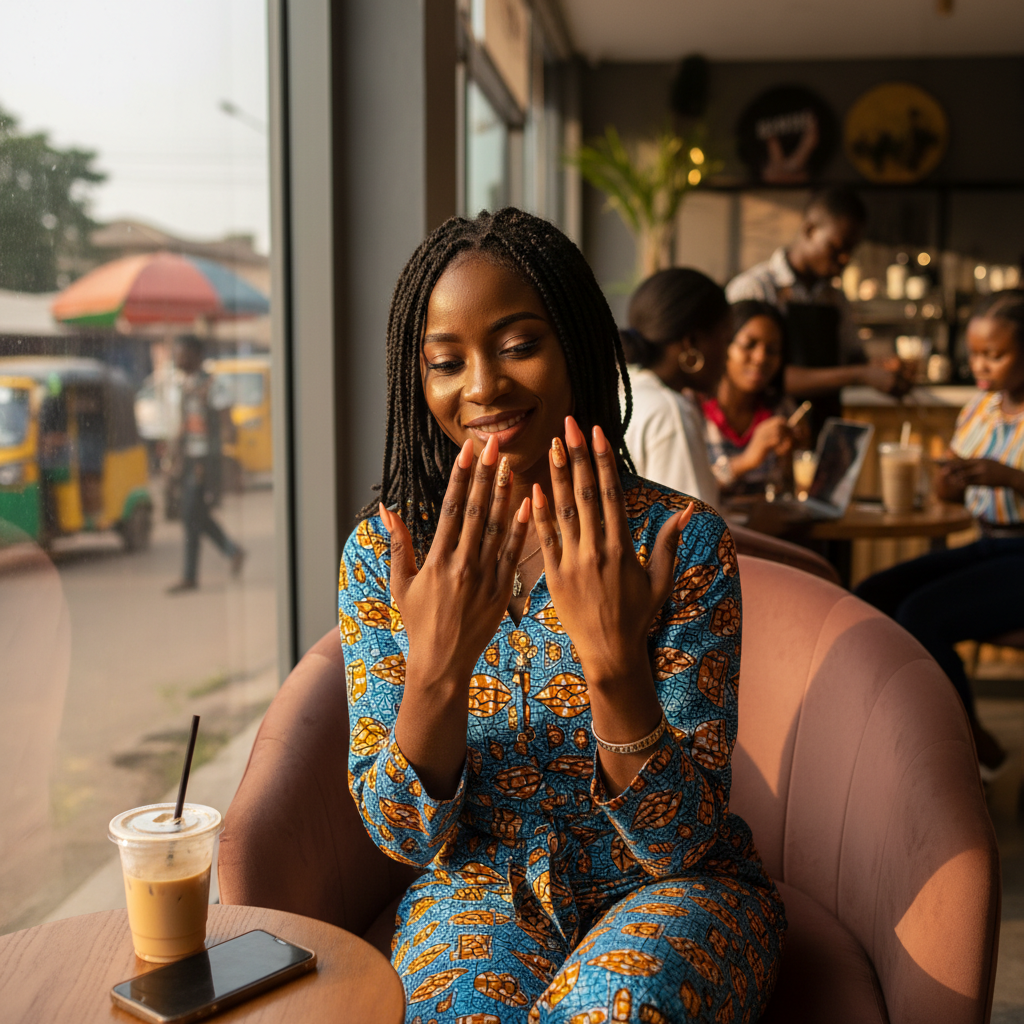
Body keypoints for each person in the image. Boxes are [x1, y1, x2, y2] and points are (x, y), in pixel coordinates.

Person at [338, 209, 785, 1023]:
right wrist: (438, 667)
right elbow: (403, 834)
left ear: (576, 344)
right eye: (446, 361)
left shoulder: (679, 544)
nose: (481, 386)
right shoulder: (388, 554)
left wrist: (613, 661)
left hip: (675, 891)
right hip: (479, 891)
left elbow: (679, 839)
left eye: (518, 345)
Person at [854, 291, 1024, 778]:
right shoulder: (980, 407)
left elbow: (1003, 480)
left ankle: (964, 744)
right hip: (989, 542)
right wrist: (947, 484)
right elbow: (951, 494)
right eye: (975, 353)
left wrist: (1010, 477)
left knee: (920, 615)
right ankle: (893, 732)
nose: (981, 364)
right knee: (871, 597)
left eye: (996, 354)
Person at [726, 186, 909, 436]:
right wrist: (859, 374)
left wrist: (880, 368)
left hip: (826, 430)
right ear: (810, 230)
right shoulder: (756, 288)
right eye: (836, 248)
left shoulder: (835, 298)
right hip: (770, 433)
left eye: (850, 252)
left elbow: (853, 357)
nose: (844, 259)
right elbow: (766, 374)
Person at [620, 268, 731, 506]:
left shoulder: (625, 390)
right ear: (692, 342)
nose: (728, 354)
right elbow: (694, 533)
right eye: (725, 339)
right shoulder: (669, 412)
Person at [167, 337, 244, 594]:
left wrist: (220, 463)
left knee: (191, 514)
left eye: (182, 353)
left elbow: (226, 423)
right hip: (190, 460)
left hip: (205, 461)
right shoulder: (185, 386)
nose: (177, 358)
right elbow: (184, 424)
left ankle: (191, 575)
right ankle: (232, 552)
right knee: (194, 516)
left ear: (196, 355)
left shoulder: (213, 385)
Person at [703, 301, 802, 495]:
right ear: (724, 345)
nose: (760, 358)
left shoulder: (781, 409)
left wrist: (790, 458)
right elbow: (684, 494)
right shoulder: (694, 409)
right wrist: (747, 460)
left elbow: (786, 494)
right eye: (749, 345)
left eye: (772, 350)